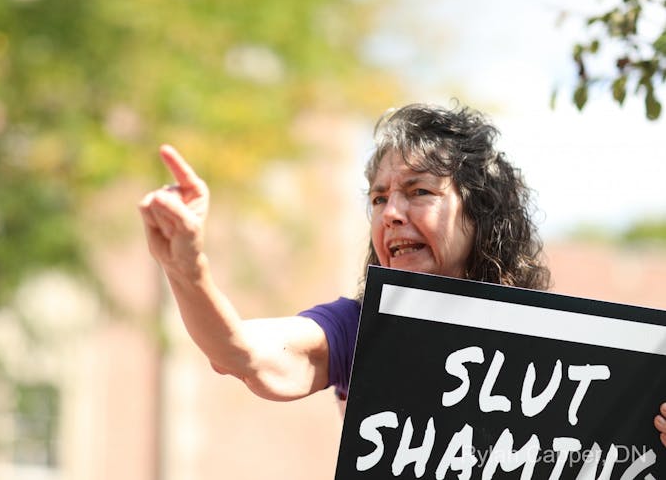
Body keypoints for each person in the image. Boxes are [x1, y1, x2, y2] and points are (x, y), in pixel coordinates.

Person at [137, 103, 666, 446]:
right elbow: (244, 355)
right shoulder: (357, 330)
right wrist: (187, 270)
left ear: (480, 214)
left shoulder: (566, 352)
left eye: (419, 191)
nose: (390, 213)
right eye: (378, 198)